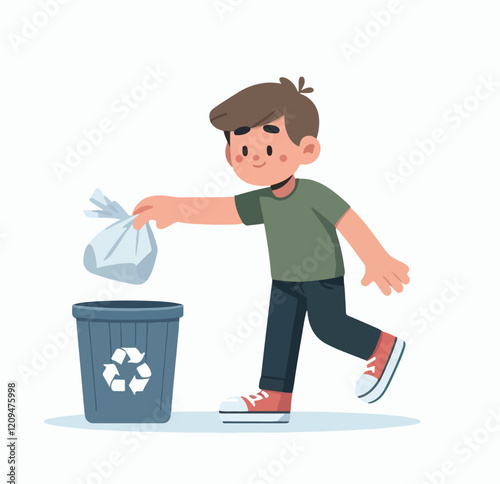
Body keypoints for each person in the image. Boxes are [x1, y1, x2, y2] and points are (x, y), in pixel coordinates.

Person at [133, 77, 410, 423]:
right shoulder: (263, 200)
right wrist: (176, 209)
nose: (254, 159)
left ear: (307, 150)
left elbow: (347, 220)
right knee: (280, 333)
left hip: (322, 276)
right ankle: (275, 398)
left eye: (265, 149)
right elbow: (221, 210)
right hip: (283, 279)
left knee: (329, 327)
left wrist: (376, 257)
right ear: (230, 155)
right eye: (243, 151)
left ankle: (382, 346)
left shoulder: (312, 193)